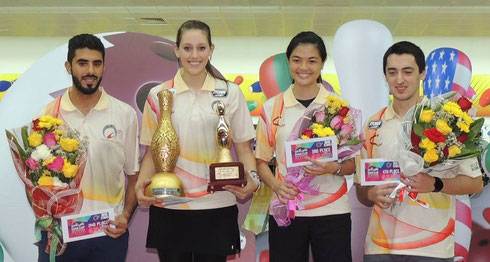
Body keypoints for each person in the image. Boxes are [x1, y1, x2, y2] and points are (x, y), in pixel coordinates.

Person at [135, 20, 259, 262]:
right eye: (188, 48)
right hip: (170, 204)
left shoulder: (231, 93)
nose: (194, 55)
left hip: (217, 205)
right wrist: (141, 185)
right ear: (176, 50)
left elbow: (244, 148)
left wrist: (253, 179)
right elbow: (152, 151)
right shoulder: (158, 95)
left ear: (211, 50)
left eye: (201, 48)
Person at [355, 41, 483, 261]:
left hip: (431, 246)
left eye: (408, 71)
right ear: (385, 76)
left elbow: (474, 182)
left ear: (423, 73)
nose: (400, 80)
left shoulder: (445, 120)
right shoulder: (372, 124)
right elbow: (361, 187)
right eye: (392, 72)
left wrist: (435, 184)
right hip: (379, 247)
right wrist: (370, 194)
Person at [36, 34, 140, 261]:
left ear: (104, 67)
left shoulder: (125, 114)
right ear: (69, 66)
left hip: (108, 232)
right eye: (82, 63)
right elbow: (36, 178)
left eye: (97, 63)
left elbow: (134, 176)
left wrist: (125, 216)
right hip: (60, 233)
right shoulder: (47, 115)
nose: (90, 70)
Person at [254, 31, 355, 262]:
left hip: (332, 210)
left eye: (312, 61)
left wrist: (333, 168)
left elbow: (352, 164)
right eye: (297, 60)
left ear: (322, 64)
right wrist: (276, 186)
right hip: (287, 209)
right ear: (288, 61)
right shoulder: (272, 108)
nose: (304, 67)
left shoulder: (338, 106)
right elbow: (261, 160)